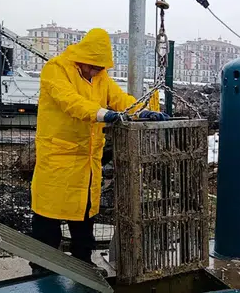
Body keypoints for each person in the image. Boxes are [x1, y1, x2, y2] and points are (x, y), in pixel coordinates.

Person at [29, 27, 165, 273]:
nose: (96, 71)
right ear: (81, 58)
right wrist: (104, 115)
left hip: (88, 158)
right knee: (48, 213)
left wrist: (142, 112)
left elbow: (120, 99)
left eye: (100, 68)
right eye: (93, 67)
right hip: (58, 156)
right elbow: (71, 102)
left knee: (84, 213)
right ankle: (42, 265)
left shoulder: (100, 76)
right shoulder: (56, 70)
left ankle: (83, 263)